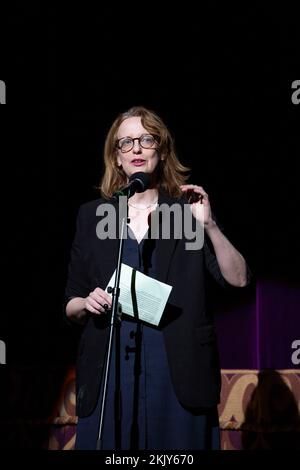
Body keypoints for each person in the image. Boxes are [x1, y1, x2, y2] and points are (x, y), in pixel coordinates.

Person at [64, 105, 251, 450]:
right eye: (126, 143)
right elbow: (70, 302)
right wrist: (86, 302)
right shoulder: (92, 216)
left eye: (146, 140)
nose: (136, 149)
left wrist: (208, 225)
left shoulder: (186, 209)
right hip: (110, 371)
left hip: (177, 372)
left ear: (161, 151)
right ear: (116, 157)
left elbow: (238, 280)